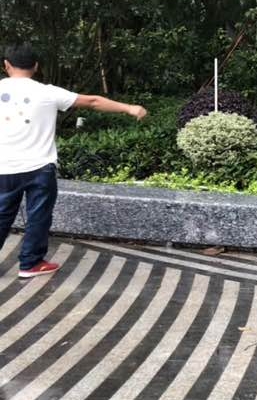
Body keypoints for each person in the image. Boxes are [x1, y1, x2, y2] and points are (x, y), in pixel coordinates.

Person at [0, 43, 147, 278]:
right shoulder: (48, 92)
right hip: (40, 168)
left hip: (3, 167)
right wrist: (129, 108)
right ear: (36, 66)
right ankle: (30, 264)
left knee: (2, 215)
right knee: (38, 216)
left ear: (6, 65)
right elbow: (93, 101)